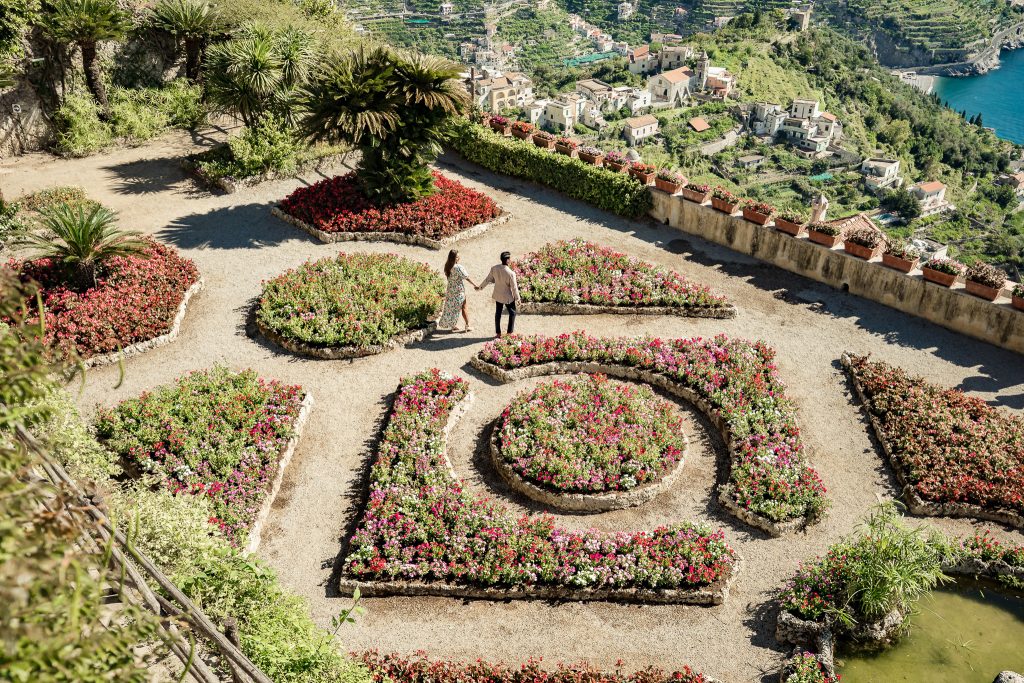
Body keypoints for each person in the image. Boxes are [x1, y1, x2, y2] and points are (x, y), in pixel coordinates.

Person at [477, 251, 520, 338]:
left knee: (498, 313)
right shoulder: (511, 273)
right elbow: (514, 288)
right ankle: (509, 332)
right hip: (508, 297)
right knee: (512, 313)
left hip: (497, 294)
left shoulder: (494, 268)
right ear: (507, 260)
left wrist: (480, 287)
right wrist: (517, 298)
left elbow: (487, 279)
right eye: (509, 258)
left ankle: (498, 333)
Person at [437, 249, 477, 332]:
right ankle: (467, 325)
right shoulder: (458, 267)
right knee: (464, 307)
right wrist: (475, 285)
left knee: (451, 308)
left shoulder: (447, 266)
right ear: (454, 258)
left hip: (450, 290)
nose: (459, 258)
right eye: (457, 257)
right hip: (459, 291)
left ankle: (453, 325)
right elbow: (467, 277)